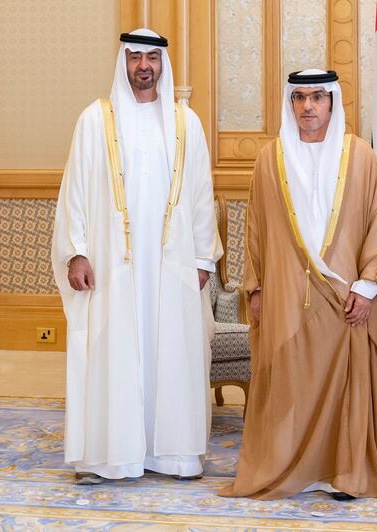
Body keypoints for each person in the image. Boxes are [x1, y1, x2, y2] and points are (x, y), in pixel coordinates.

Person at [51, 29, 222, 485]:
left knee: (174, 352)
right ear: (122, 62)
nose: (143, 65)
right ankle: (110, 456)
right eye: (134, 57)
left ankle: (176, 455)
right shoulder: (94, 120)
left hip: (174, 266)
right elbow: (74, 193)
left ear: (163, 63)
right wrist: (77, 253)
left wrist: (204, 259)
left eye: (151, 57)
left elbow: (203, 194)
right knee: (113, 349)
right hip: (112, 267)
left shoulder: (188, 123)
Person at [219, 70, 377, 501]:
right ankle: (285, 467)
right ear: (290, 103)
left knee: (345, 386)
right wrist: (255, 287)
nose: (308, 107)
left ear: (333, 103)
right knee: (287, 380)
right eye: (299, 98)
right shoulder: (271, 158)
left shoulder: (361, 157)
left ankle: (346, 472)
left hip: (345, 297)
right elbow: (255, 226)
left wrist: (367, 286)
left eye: (318, 97)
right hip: (286, 295)